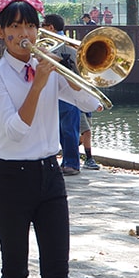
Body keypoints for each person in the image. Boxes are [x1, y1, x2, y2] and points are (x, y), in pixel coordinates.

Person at [0, 0, 103, 278]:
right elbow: (14, 129)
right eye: (16, 26)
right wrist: (37, 85)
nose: (24, 34)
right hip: (11, 178)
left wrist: (69, 72)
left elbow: (90, 103)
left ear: (38, 31)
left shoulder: (47, 67)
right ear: (1, 31)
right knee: (14, 270)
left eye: (30, 26)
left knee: (58, 269)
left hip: (50, 174)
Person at [42, 13, 83, 176]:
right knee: (63, 129)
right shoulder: (55, 44)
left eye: (42, 25)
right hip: (59, 92)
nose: (40, 28)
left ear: (50, 27)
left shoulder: (64, 45)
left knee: (68, 129)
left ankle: (72, 163)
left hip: (67, 92)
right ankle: (68, 162)